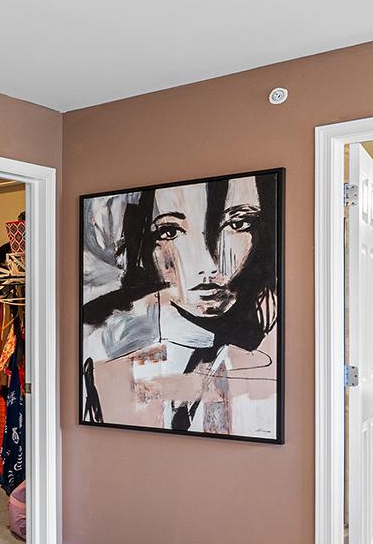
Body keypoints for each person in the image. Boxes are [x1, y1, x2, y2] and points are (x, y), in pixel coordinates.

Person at [81, 174, 279, 438]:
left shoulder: (269, 365)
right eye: (170, 232)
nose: (209, 265)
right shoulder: (109, 370)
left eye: (238, 224)